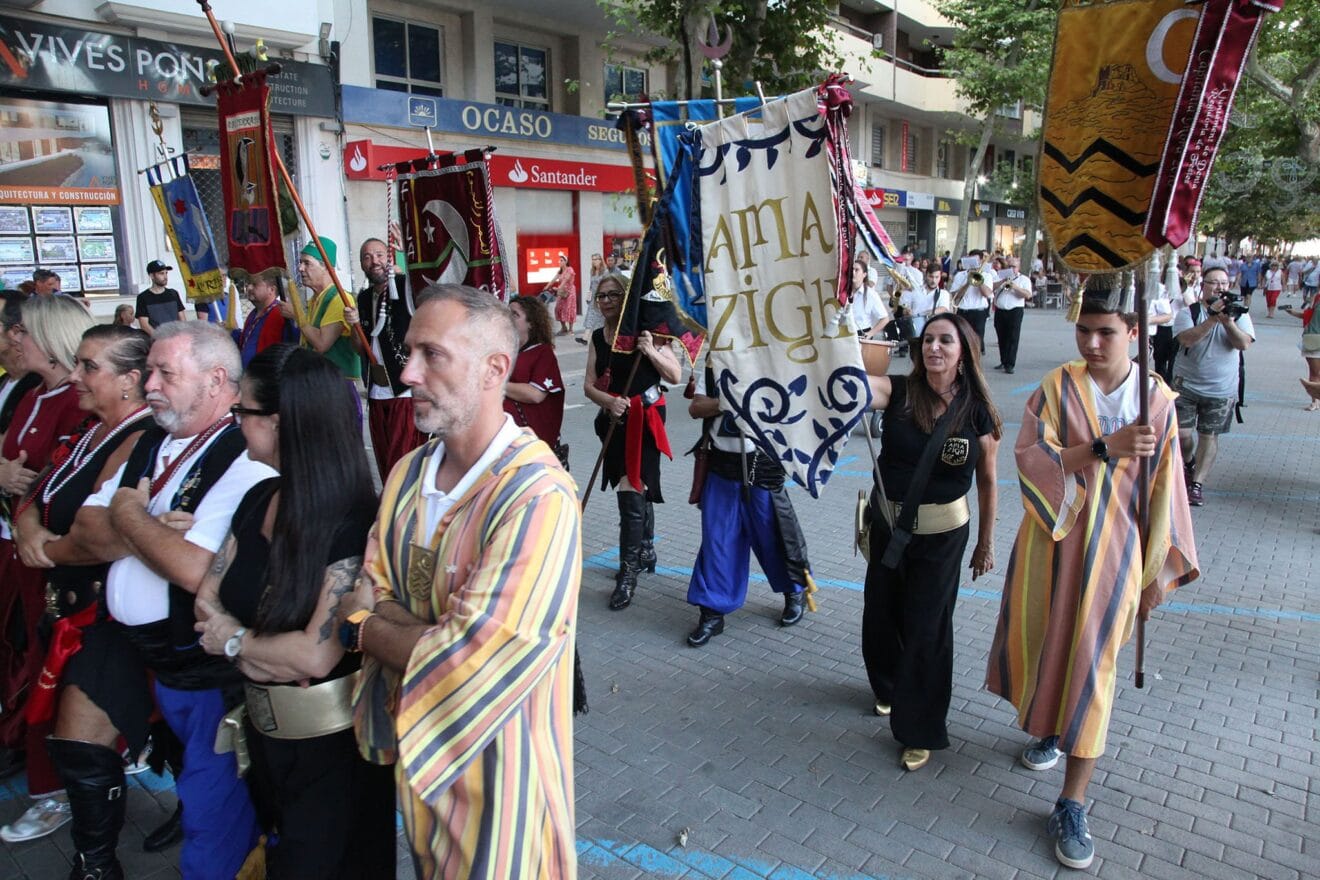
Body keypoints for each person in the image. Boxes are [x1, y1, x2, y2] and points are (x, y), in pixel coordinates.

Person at [342, 284, 580, 880]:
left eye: (431, 354)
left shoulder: (537, 498)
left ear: (494, 368)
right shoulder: (406, 471)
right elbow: (378, 583)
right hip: (419, 775)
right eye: (409, 353)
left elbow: (473, 660)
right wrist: (427, 629)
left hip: (504, 796)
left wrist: (362, 625)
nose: (406, 372)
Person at [45, 322, 274, 879]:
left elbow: (194, 568)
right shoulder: (152, 438)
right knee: (103, 747)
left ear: (217, 380)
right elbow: (83, 527)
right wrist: (149, 529)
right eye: (149, 371)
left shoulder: (244, 452)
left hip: (205, 670)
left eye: (164, 373)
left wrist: (127, 514)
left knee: (215, 816)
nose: (148, 385)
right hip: (145, 654)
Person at [986, 289, 1199, 871]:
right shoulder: (1057, 386)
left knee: (1094, 667)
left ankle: (1071, 802)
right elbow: (1029, 458)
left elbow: (1167, 492)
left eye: (1105, 331)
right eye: (1084, 331)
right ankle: (1051, 730)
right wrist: (1106, 447)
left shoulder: (1156, 399)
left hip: (1116, 558)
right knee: (1049, 648)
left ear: (1134, 329)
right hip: (1052, 547)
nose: (1093, 343)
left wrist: (1157, 572)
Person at [192, 345, 395, 879]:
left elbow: (314, 656)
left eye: (243, 413)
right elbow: (206, 599)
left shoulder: (355, 522)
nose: (235, 422)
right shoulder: (257, 498)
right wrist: (261, 654)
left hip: (335, 755)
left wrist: (236, 644)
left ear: (281, 423)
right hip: (264, 738)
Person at [5, 325, 152, 845]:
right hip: (64, 606)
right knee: (76, 738)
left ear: (131, 380)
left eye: (88, 367)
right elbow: (32, 492)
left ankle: (96, 862)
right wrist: (29, 527)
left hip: (102, 616)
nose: (74, 376)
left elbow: (103, 536)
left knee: (80, 738)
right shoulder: (87, 431)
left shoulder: (141, 436)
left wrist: (43, 547)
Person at [859, 313, 1000, 773]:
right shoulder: (897, 391)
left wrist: (986, 542)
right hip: (888, 526)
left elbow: (988, 481)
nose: (934, 348)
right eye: (928, 340)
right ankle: (887, 686)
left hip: (943, 538)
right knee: (881, 615)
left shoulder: (977, 410)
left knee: (926, 629)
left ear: (964, 353)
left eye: (946, 341)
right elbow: (855, 383)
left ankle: (919, 728)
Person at [0, 296, 94, 838]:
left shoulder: (75, 402)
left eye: (23, 332)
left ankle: (55, 789)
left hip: (57, 557)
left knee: (53, 668)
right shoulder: (31, 392)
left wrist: (25, 491)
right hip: (24, 551)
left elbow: (65, 478)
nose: (14, 339)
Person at [683, 357, 814, 647]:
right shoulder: (714, 362)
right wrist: (728, 402)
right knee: (718, 541)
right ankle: (712, 611)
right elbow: (696, 407)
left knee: (773, 535)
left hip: (763, 465)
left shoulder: (775, 358)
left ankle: (795, 591)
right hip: (722, 467)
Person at [584, 271, 682, 610]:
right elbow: (589, 385)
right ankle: (646, 549)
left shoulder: (647, 332)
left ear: (625, 297)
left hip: (647, 417)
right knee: (636, 487)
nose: (607, 300)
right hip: (615, 419)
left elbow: (675, 374)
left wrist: (650, 351)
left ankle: (628, 574)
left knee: (631, 485)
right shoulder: (598, 337)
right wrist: (608, 402)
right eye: (602, 296)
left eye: (613, 294)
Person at [1171, 266, 1254, 506]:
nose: (1220, 287)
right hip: (1185, 386)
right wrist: (1211, 320)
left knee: (1209, 436)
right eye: (1214, 283)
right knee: (1184, 436)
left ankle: (1196, 484)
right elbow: (1186, 339)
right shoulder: (1190, 311)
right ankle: (1188, 464)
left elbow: (1243, 344)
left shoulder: (1240, 315)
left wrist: (1228, 322)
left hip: (1221, 389)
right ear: (1203, 286)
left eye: (1224, 283)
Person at [353, 233, 426, 479]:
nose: (374, 261)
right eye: (367, 257)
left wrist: (407, 251)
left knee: (403, 463)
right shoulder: (363, 298)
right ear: (362, 264)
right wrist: (353, 325)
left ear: (389, 257)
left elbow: (428, 284)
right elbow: (359, 348)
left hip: (403, 390)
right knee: (384, 463)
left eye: (380, 255)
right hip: (376, 391)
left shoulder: (406, 287)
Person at [285, 237, 362, 383]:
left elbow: (321, 343)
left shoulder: (340, 299)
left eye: (307, 263)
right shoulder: (315, 299)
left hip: (335, 384)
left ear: (326, 267)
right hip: (317, 380)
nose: (301, 268)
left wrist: (297, 315)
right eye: (300, 263)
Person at [504, 295, 566, 449]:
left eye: (515, 314)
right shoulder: (503, 351)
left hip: (529, 442)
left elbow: (535, 394)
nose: (508, 318)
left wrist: (495, 384)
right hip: (505, 438)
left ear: (531, 323)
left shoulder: (542, 352)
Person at [234, 272, 298, 367]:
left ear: (271, 289)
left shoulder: (281, 314)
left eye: (254, 284)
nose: (249, 288)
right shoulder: (253, 314)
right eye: (248, 284)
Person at [898, 265, 952, 357]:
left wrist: (921, 314)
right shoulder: (914, 291)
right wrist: (906, 311)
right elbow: (904, 309)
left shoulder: (943, 294)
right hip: (915, 332)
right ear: (926, 275)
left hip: (934, 332)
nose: (934, 280)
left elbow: (943, 308)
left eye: (936, 277)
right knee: (915, 358)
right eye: (931, 276)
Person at [992, 256, 1031, 373]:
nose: (1011, 268)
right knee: (1001, 336)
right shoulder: (1000, 276)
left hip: (1015, 310)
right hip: (1000, 310)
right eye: (1009, 266)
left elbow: (1028, 295)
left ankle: (1010, 364)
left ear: (1018, 268)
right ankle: (1003, 360)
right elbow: (992, 287)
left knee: (1013, 337)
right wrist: (1002, 281)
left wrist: (1015, 287)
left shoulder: (1024, 279)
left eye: (1014, 266)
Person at [1284, 288, 1320, 411]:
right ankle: (1315, 402)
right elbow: (1307, 316)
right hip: (1314, 338)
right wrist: (1292, 312)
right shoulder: (1317, 297)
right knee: (1315, 373)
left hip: (1314, 338)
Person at [950, 250, 993, 352]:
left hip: (979, 312)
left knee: (976, 341)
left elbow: (987, 294)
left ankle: (974, 364)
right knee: (962, 340)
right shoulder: (960, 275)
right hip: (963, 311)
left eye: (976, 260)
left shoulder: (987, 275)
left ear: (981, 261)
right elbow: (955, 296)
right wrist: (967, 283)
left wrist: (978, 280)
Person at [135, 260, 186, 334]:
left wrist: (182, 335)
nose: (165, 277)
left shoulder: (173, 294)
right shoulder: (143, 297)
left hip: (176, 338)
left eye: (166, 273)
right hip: (157, 340)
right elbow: (144, 324)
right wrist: (159, 338)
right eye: (161, 273)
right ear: (152, 276)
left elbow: (182, 318)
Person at [849, 258, 891, 338]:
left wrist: (870, 333)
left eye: (857, 270)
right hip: (845, 334)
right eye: (851, 270)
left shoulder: (870, 294)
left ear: (864, 274)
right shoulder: (844, 292)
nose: (853, 273)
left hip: (861, 333)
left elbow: (885, 318)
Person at [545, 254, 578, 335]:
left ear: (566, 261)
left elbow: (566, 280)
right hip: (561, 292)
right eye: (559, 260)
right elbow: (553, 279)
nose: (559, 262)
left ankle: (571, 329)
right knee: (558, 308)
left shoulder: (570, 269)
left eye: (561, 260)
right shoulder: (560, 271)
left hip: (569, 292)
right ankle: (564, 327)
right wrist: (546, 286)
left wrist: (558, 288)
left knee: (569, 309)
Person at [578, 252, 607, 345]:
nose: (594, 262)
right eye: (592, 260)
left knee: (600, 318)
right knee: (590, 316)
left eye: (596, 259)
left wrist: (601, 297)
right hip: (593, 297)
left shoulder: (605, 272)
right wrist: (588, 296)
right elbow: (591, 285)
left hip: (601, 296)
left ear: (600, 260)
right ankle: (585, 338)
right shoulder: (592, 271)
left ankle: (595, 337)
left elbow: (605, 285)